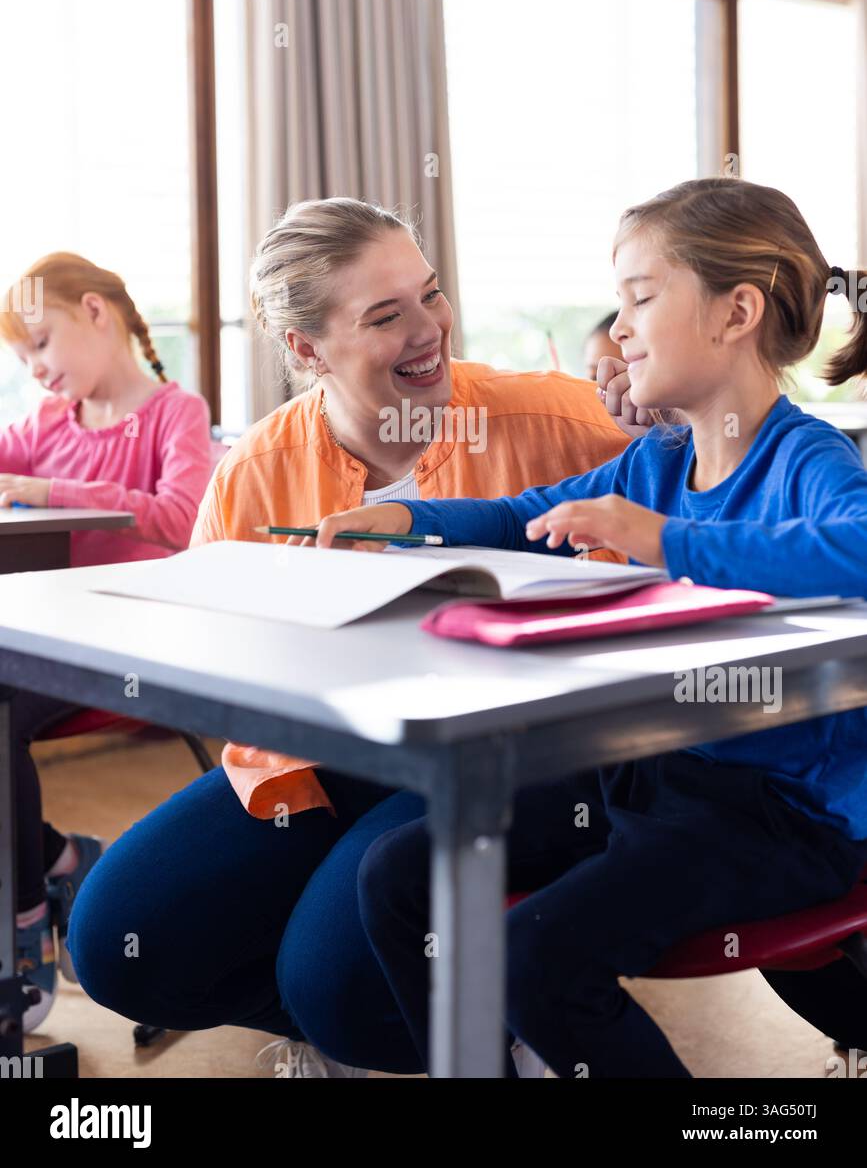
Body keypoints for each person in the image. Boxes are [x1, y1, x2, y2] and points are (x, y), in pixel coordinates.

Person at [313, 176, 867, 1076]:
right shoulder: (659, 457)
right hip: (654, 777)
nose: (617, 331)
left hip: (779, 819)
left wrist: (667, 540)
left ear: (736, 313)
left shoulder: (804, 454)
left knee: (541, 959)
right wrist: (409, 523)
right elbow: (517, 516)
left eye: (640, 299)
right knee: (397, 876)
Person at [67, 197, 633, 1077]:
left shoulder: (561, 424)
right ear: (304, 349)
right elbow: (206, 655)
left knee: (335, 980)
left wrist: (668, 407)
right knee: (117, 942)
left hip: (516, 762)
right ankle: (395, 1022)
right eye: (384, 315)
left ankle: (444, 1029)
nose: (429, 330)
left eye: (431, 295)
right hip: (321, 761)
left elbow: (729, 487)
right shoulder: (254, 474)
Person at [0, 253, 213, 1031]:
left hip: (136, 641)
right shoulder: (46, 424)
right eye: (21, 361)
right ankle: (56, 859)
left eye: (41, 346)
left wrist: (53, 491)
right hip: (52, 639)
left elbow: (181, 516)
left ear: (95, 312)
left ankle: (24, 930)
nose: (36, 372)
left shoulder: (175, 413)